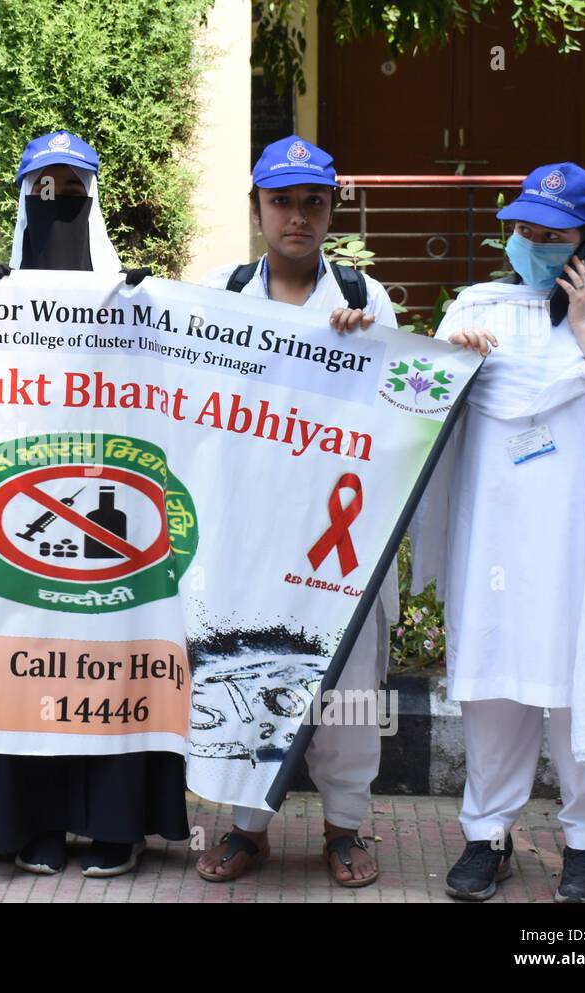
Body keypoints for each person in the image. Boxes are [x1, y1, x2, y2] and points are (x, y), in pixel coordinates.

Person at [413, 162, 585, 903]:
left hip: (581, 544)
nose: (532, 242)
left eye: (551, 233)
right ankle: (487, 834)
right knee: (493, 687)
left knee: (578, 682)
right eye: (523, 229)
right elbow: (419, 411)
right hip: (493, 537)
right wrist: (453, 366)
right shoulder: (477, 304)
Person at [195, 135, 398, 887]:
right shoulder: (220, 292)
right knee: (247, 674)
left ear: (331, 210)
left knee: (346, 691)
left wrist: (366, 343)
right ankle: (248, 829)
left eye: (313, 202)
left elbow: (395, 401)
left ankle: (345, 829)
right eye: (281, 201)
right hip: (248, 531)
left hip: (336, 536)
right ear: (257, 210)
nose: (297, 217)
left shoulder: (359, 296)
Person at [0, 131, 186, 878]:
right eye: (42, 190)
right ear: (22, 197)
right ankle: (38, 821)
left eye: (72, 189)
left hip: (113, 518)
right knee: (32, 661)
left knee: (108, 658)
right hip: (24, 514)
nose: (57, 202)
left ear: (93, 197)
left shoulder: (136, 300)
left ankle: (115, 822)